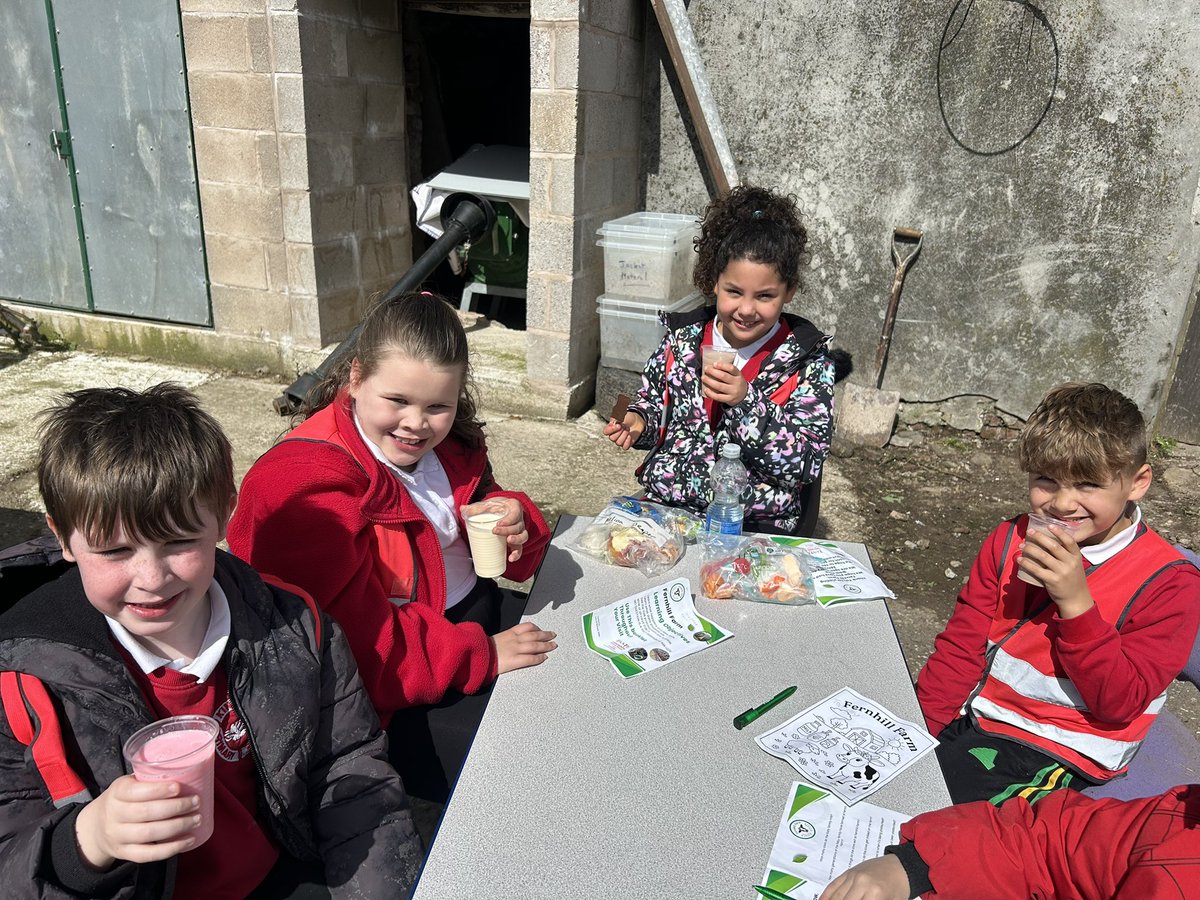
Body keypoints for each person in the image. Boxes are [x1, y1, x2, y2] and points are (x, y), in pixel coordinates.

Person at [0, 384, 421, 899]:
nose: (151, 578)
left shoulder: (293, 627)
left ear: (224, 515)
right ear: (63, 537)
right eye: (114, 550)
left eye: (179, 542)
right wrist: (89, 838)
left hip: (279, 874)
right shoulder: (21, 677)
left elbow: (351, 773)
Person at [228, 292, 558, 802]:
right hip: (390, 692)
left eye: (437, 406)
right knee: (532, 760)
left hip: (457, 630)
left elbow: (482, 507)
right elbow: (357, 648)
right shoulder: (307, 483)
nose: (416, 424)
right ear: (356, 378)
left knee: (577, 680)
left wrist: (518, 520)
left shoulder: (449, 446)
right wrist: (483, 655)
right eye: (397, 401)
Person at [916, 382, 1200, 805]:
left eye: (1087, 484)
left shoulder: (1170, 583)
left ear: (1137, 483)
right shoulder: (1009, 539)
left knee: (938, 817)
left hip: (1067, 745)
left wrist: (1076, 604)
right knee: (893, 780)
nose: (1063, 504)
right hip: (985, 715)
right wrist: (917, 729)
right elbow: (961, 646)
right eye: (1046, 480)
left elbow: (1119, 703)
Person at [602, 184, 848, 535]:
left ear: (789, 291)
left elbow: (805, 464)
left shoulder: (808, 363)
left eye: (765, 296)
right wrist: (638, 421)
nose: (746, 310)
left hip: (752, 526)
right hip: (667, 511)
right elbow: (656, 401)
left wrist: (746, 401)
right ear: (714, 282)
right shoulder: (682, 341)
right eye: (734, 291)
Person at [817, 784, 1200, 899]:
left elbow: (1120, 700)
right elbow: (1043, 846)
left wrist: (1078, 610)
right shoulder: (1180, 821)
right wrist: (916, 864)